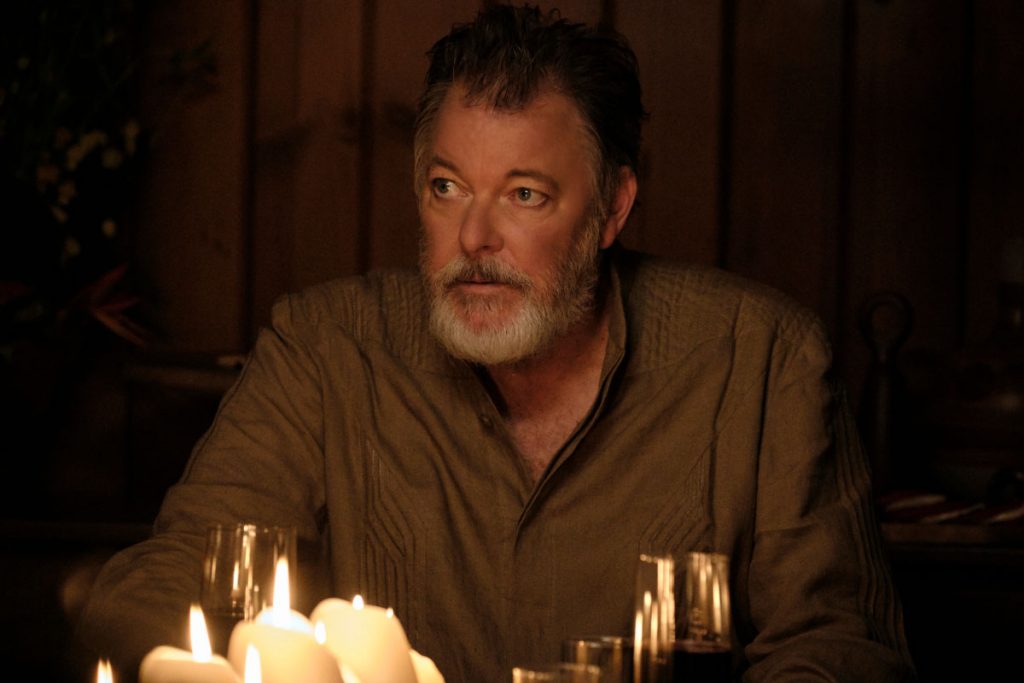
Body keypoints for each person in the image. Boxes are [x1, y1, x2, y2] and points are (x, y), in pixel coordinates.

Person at [78, 4, 915, 681]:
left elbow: (841, 646)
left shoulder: (763, 359)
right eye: (447, 187)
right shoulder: (326, 346)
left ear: (613, 208)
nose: (474, 236)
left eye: (524, 193)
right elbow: (162, 579)